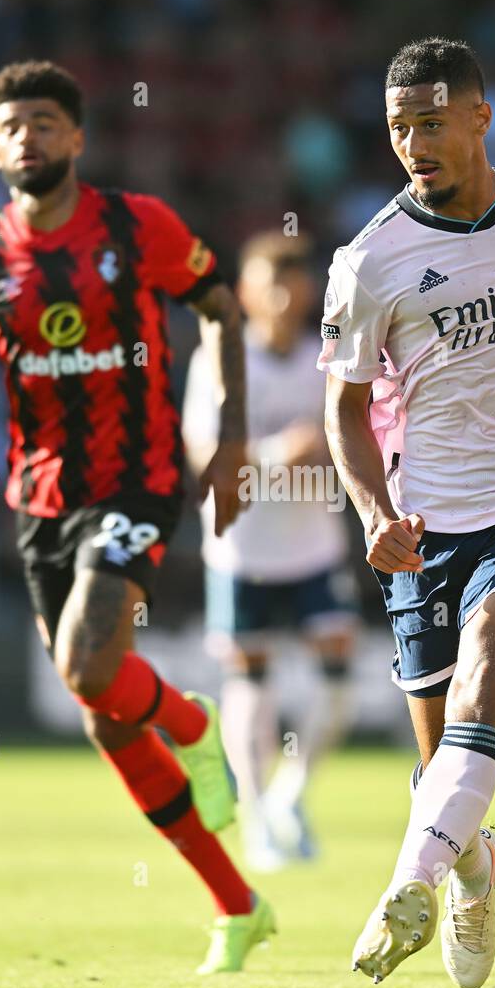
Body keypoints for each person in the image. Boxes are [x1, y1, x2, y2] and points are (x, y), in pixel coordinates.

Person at [0, 60, 274, 973]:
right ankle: (239, 906)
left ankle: (193, 728)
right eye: (12, 126)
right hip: (40, 497)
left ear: (76, 138)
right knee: (103, 714)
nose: (28, 137)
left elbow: (224, 312)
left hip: (138, 478)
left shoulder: (135, 226)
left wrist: (228, 440)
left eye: (45, 121)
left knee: (85, 664)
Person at [319, 38, 495, 988]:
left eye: (432, 123)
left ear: (483, 120)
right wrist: (372, 512)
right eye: (398, 127)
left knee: (493, 659)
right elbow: (346, 406)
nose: (413, 143)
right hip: (431, 518)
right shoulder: (369, 262)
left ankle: (408, 885)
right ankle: (472, 871)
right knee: (441, 765)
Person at [182, 230, 358, 872]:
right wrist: (276, 452)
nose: (283, 296)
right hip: (242, 547)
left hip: (313, 544)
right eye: (269, 283)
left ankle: (292, 794)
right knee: (249, 683)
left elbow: (360, 440)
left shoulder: (329, 357)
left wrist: (335, 456)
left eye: (293, 282)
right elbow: (203, 456)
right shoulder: (221, 362)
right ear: (246, 295)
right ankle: (257, 819)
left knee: (339, 670)